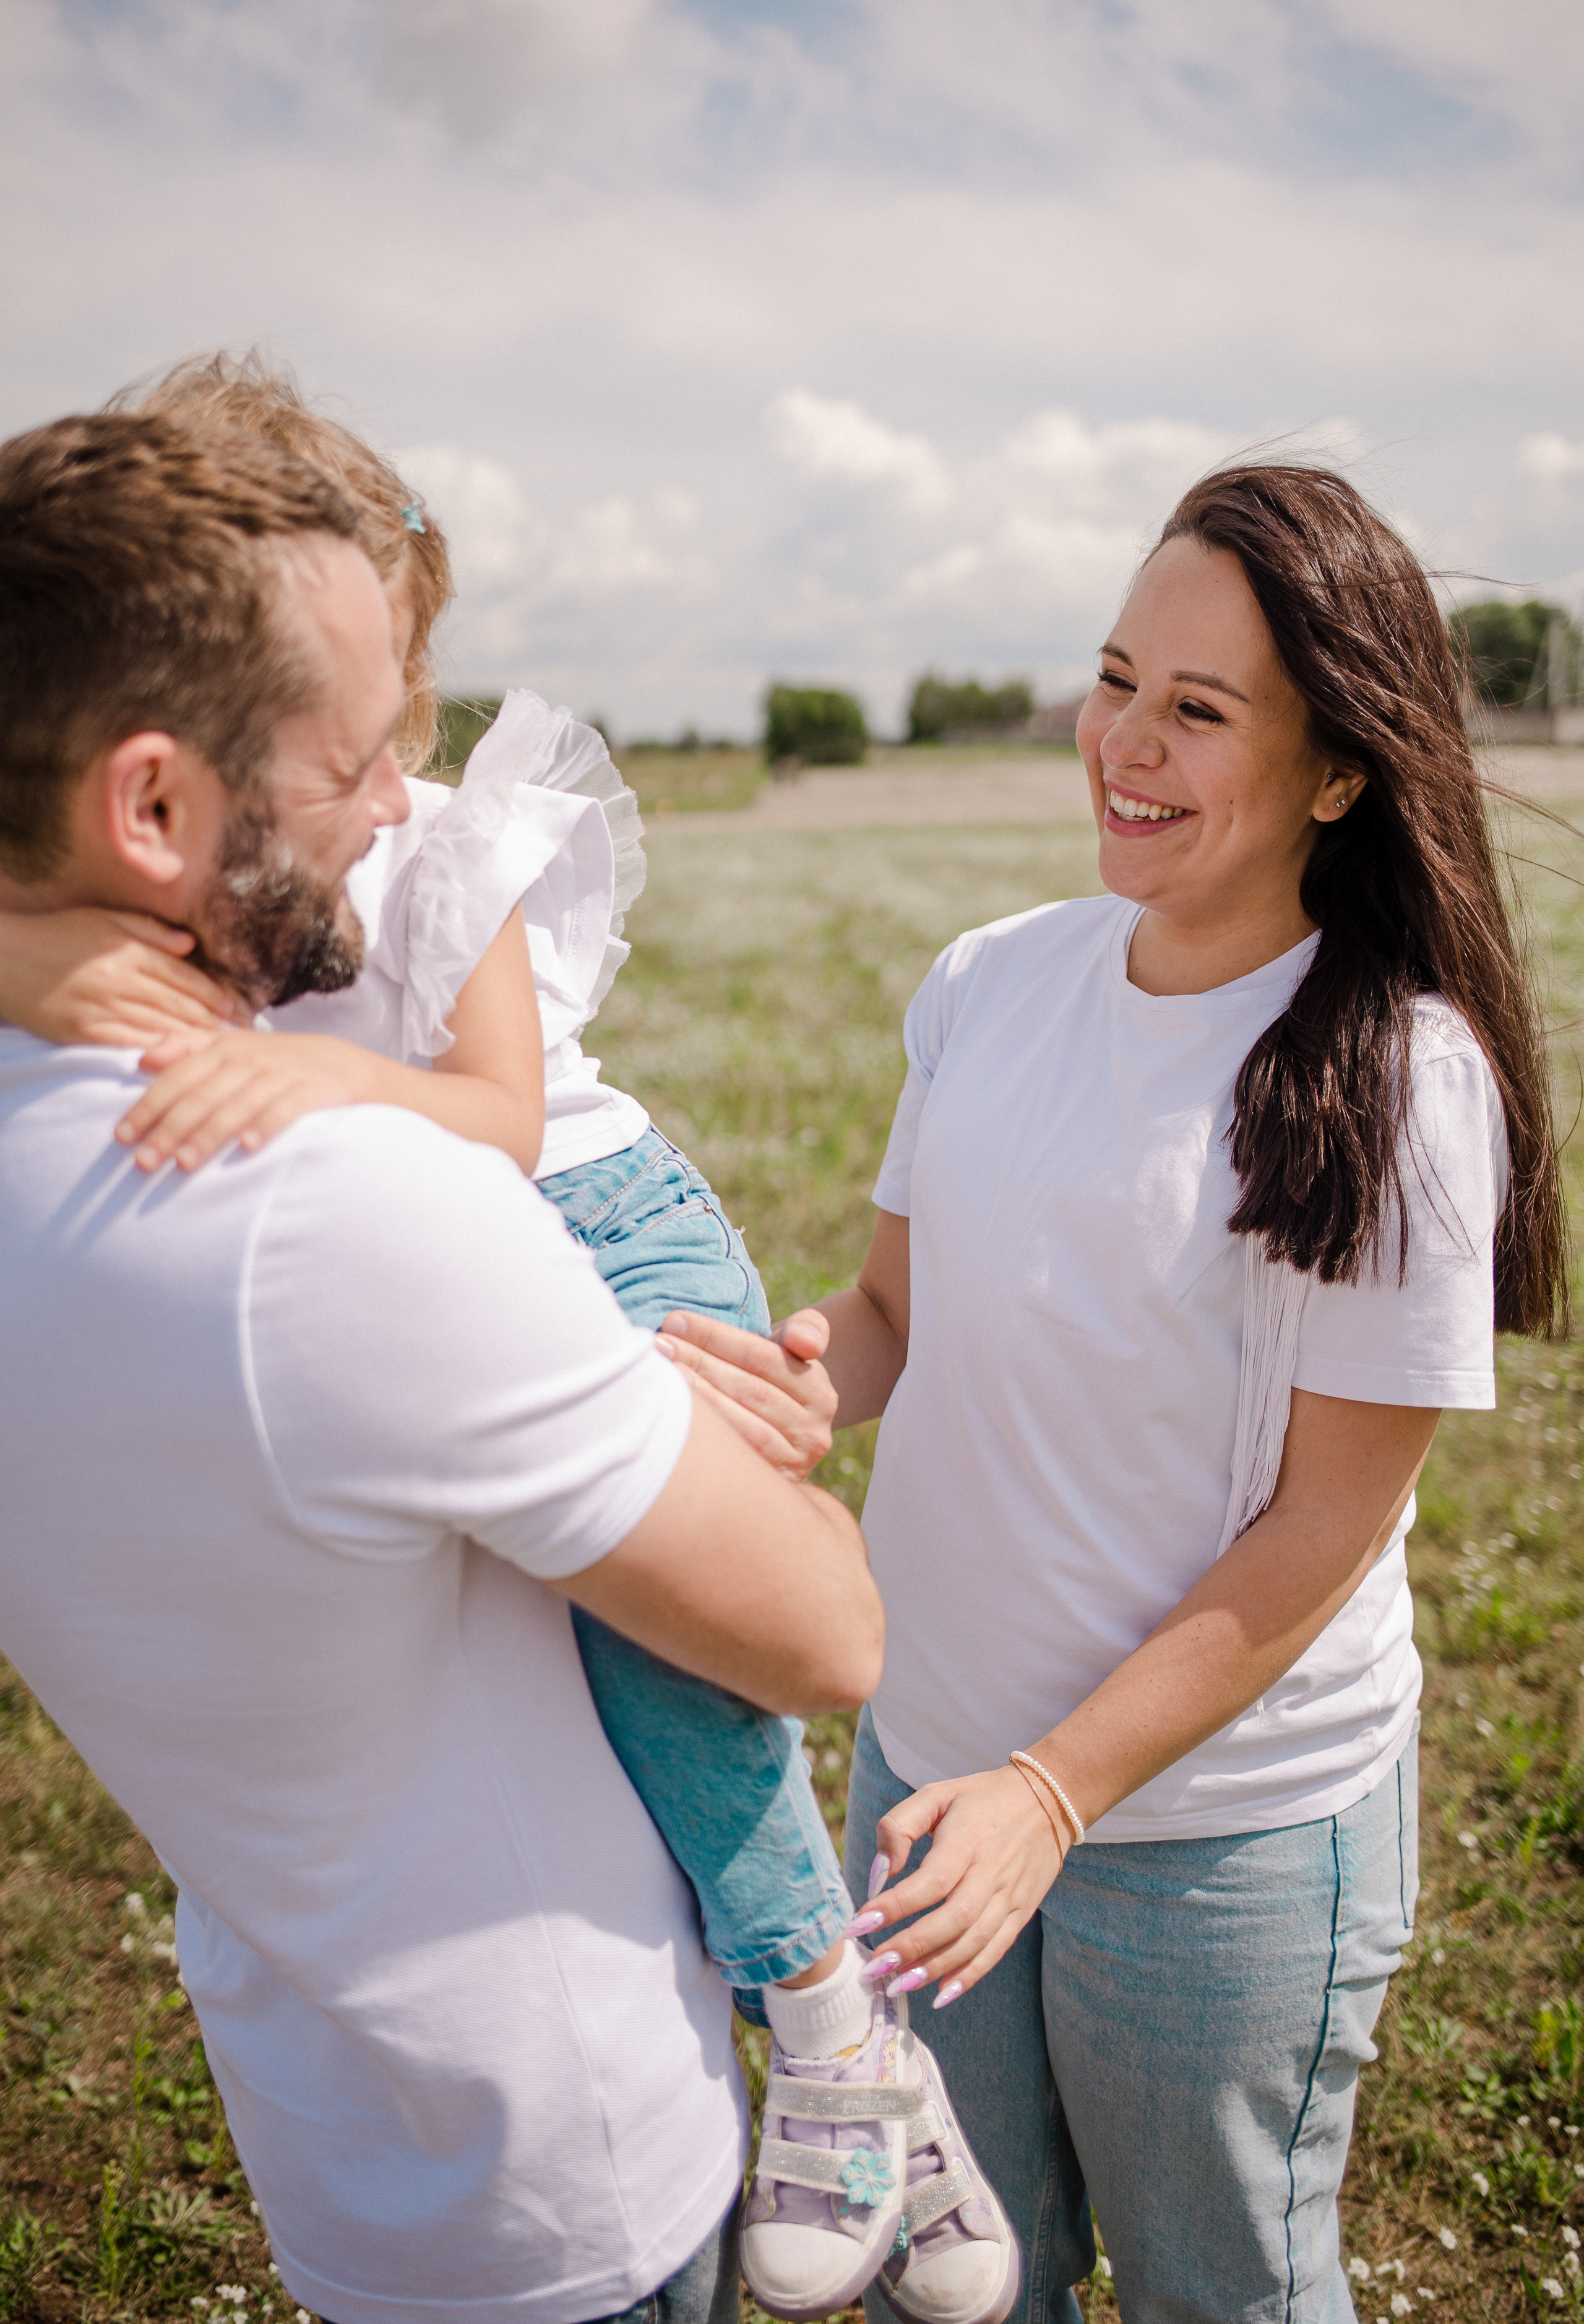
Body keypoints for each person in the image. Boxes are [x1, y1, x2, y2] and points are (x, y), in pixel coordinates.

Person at [0, 362, 1017, 2324]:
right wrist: (672, 1431)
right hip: (570, 2172)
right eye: (353, 753)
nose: (402, 794)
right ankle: (840, 2032)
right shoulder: (331, 1223)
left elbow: (506, 1110)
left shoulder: (113, 1116)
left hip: (335, 2134)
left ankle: (844, 2038)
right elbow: (827, 1633)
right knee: (683, 1648)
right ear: (153, 802)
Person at [676, 464, 1569, 2322]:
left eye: (1200, 709)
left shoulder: (1401, 1078)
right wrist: (782, 1383)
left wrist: (1053, 1796)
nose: (1126, 743)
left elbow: (1323, 1531)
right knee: (955, 2282)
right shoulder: (988, 981)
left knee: (1214, 2291)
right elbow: (893, 1312)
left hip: (1215, 1840)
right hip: (929, 1780)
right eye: (1113, 679)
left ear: (1339, 771)